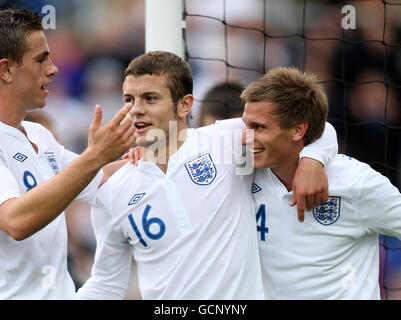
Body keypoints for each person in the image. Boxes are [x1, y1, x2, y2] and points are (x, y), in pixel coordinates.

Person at [76, 51, 338, 300]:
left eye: (150, 98)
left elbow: (315, 127)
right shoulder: (113, 190)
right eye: (129, 99)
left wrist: (312, 161)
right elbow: (106, 283)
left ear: (185, 105)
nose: (136, 109)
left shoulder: (226, 141)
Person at [0, 7, 135, 299]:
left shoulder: (39, 136)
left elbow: (100, 180)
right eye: (41, 59)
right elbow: (15, 222)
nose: (53, 68)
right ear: (7, 70)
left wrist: (161, 154)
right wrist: (95, 156)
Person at [243, 66, 401, 299]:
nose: (244, 137)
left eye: (259, 127)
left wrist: (313, 159)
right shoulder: (242, 173)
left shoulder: (357, 182)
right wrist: (313, 158)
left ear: (298, 130)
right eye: (246, 125)